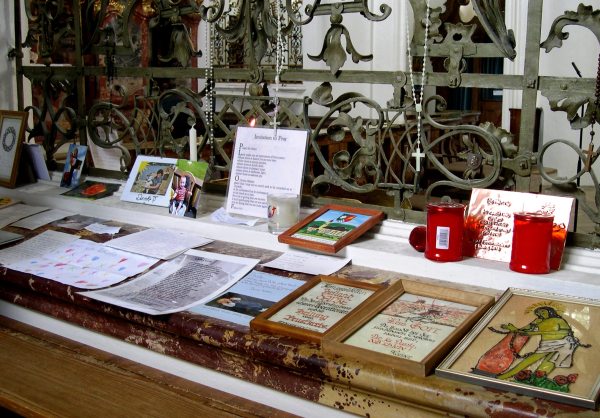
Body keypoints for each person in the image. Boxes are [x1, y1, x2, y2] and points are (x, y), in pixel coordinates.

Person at [495, 306, 586, 380]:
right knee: (529, 361)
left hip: (562, 343)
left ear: (550, 311)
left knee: (548, 363)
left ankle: (536, 380)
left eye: (543, 312)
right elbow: (526, 329)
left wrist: (532, 333)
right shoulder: (539, 321)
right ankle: (507, 376)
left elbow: (562, 333)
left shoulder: (558, 320)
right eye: (539, 313)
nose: (541, 314)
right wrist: (514, 329)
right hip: (546, 344)